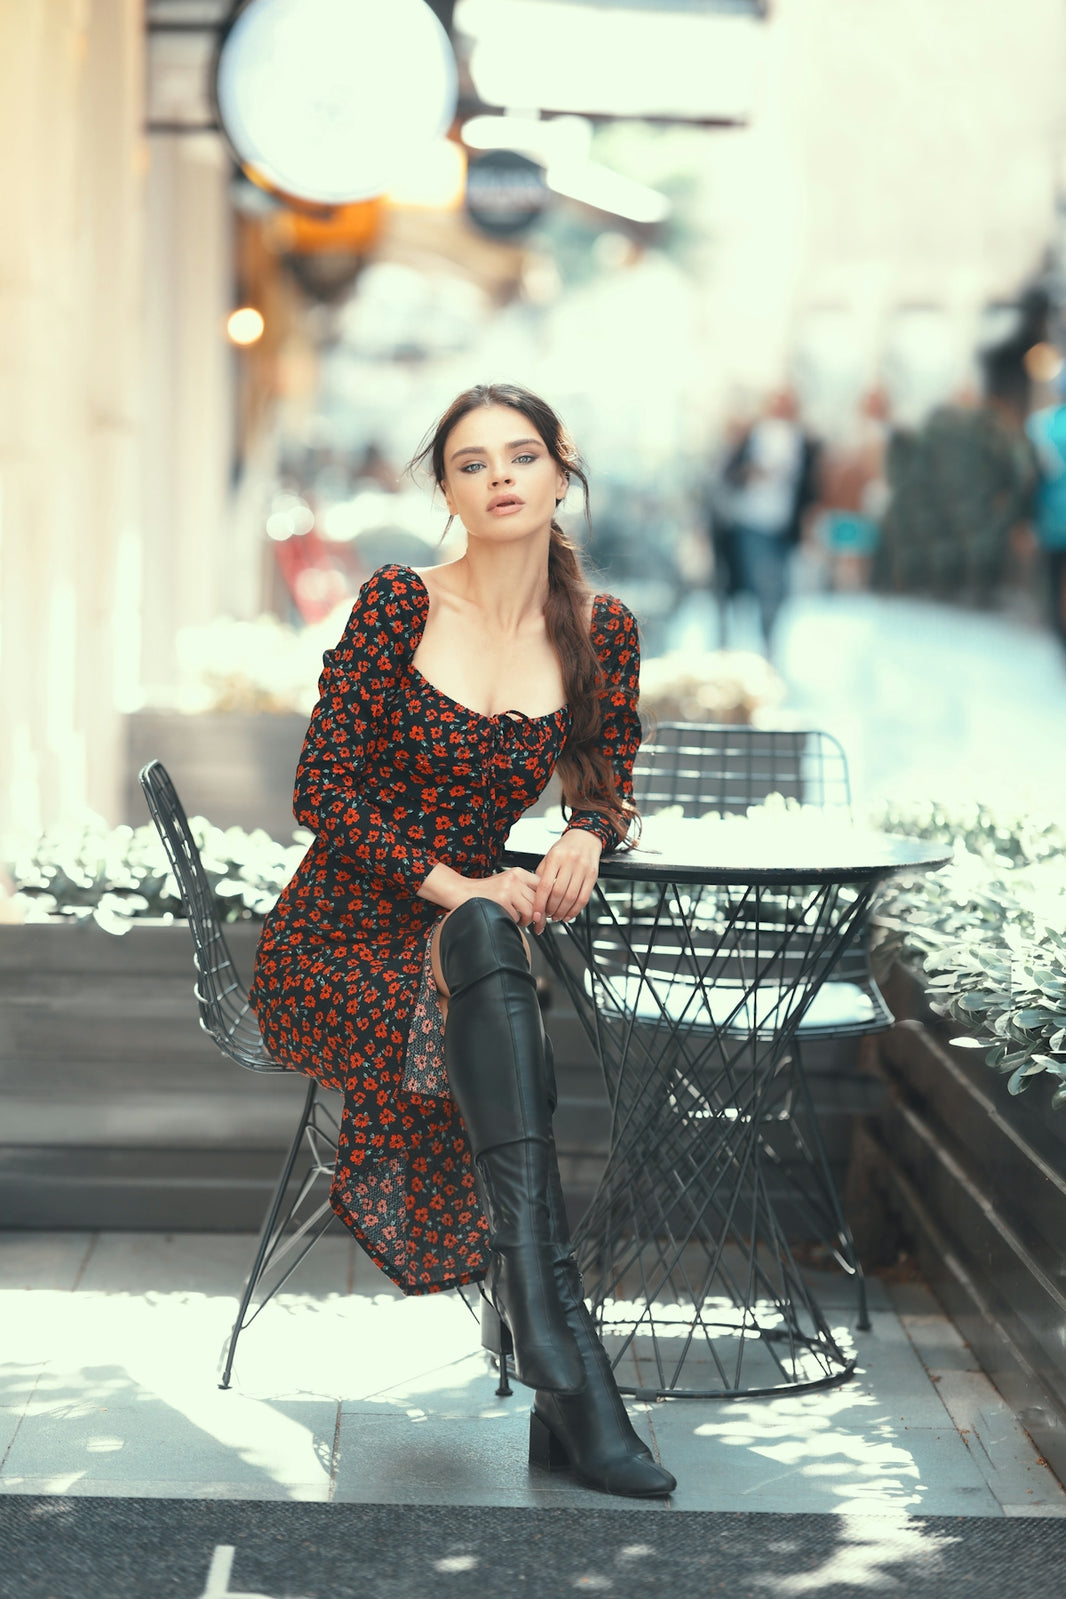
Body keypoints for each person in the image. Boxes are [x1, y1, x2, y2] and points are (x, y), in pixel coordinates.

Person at [250, 382, 676, 1499]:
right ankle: (563, 1358)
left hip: (469, 941)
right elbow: (319, 789)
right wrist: (460, 882)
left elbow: (611, 769)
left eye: (520, 455)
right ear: (443, 490)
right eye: (471, 461)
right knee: (486, 929)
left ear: (556, 474)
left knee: (488, 941)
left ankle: (549, 1342)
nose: (498, 476)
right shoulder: (398, 603)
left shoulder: (600, 630)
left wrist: (586, 829)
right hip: (337, 933)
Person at [716, 389, 818, 654]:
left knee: (781, 589)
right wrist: (750, 473)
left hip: (785, 529)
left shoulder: (803, 441)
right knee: (765, 584)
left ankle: (766, 641)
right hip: (752, 524)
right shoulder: (753, 435)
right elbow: (729, 474)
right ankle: (762, 646)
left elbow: (810, 488)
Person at [1024, 375, 1066, 651]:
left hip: (1051, 518)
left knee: (1052, 579)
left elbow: (1029, 478)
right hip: (1052, 517)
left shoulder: (1041, 426)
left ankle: (1058, 632)